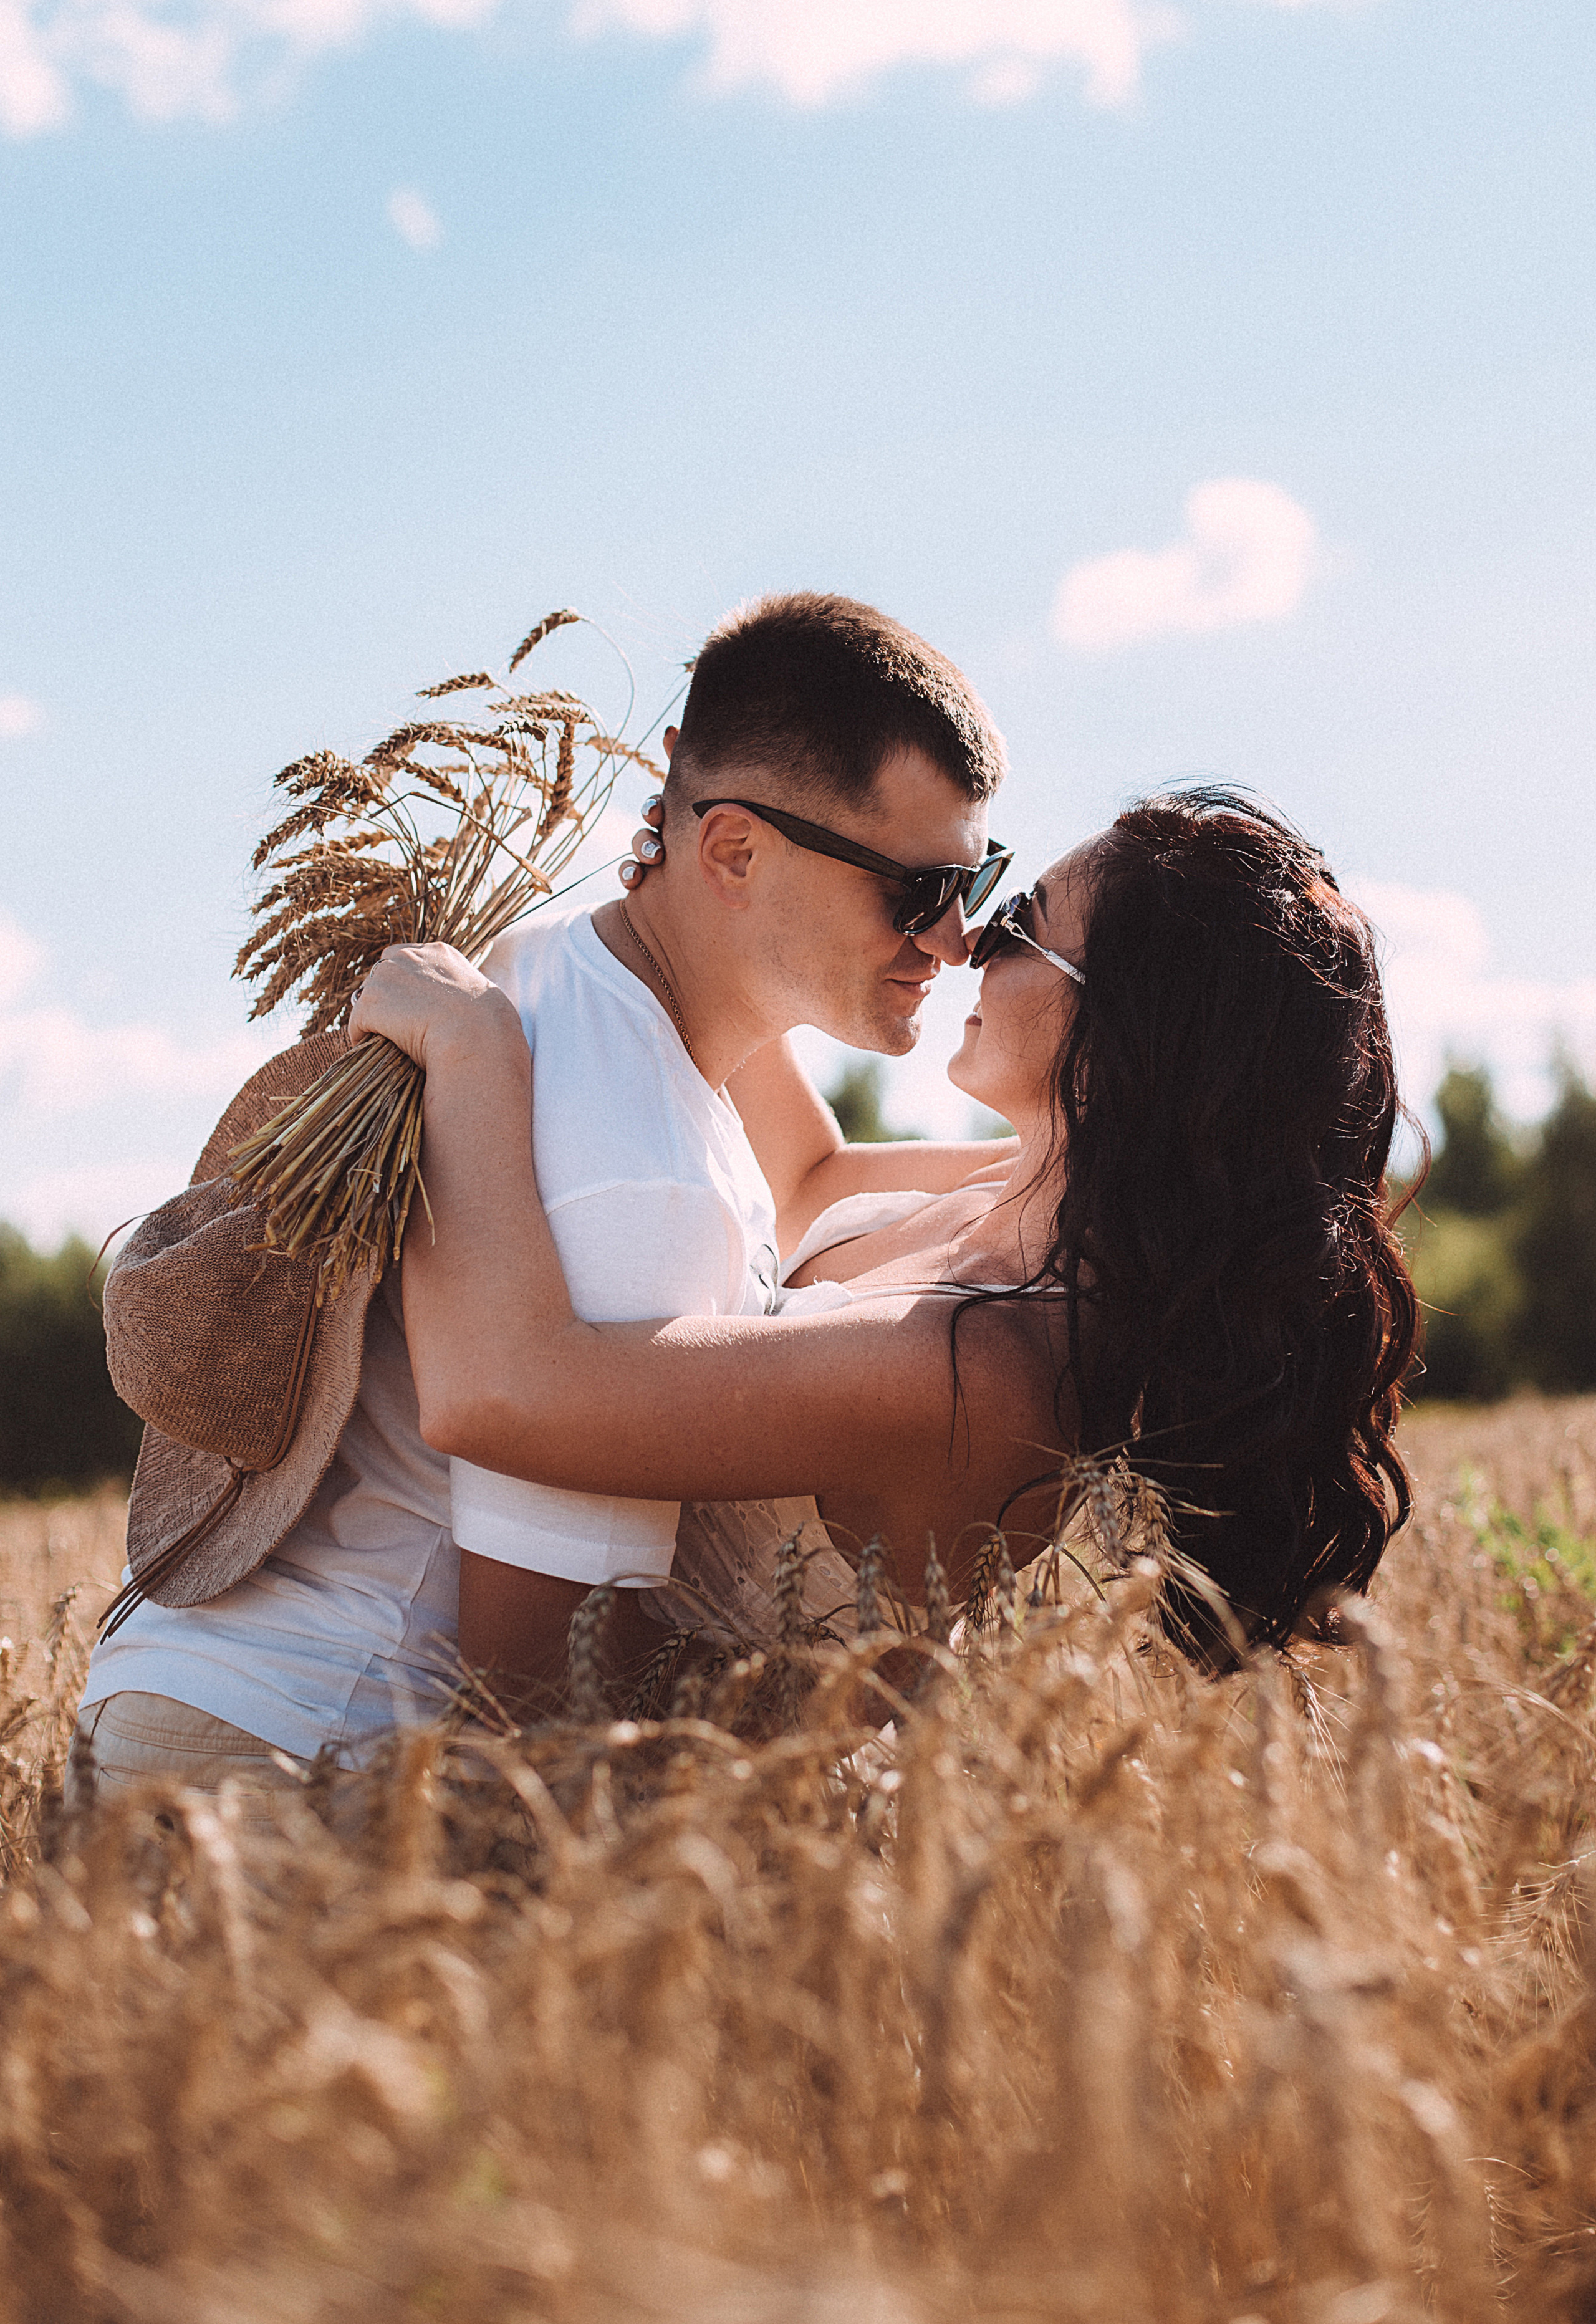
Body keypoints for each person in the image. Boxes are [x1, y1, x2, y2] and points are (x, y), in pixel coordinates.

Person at [69, 592, 1016, 1802]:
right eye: (915, 892)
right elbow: (530, 1702)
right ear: (731, 849)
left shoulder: (560, 974)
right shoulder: (642, 1173)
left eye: (976, 877)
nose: (953, 940)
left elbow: (812, 1178)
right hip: (284, 1773)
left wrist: (1092, 1170)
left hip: (186, 1703)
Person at [355, 789, 1422, 1667]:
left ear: (1123, 1038)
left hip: (642, 1837)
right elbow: (809, 1175)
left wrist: (472, 1051)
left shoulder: (983, 1365)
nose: (961, 947)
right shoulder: (1024, 1190)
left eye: (1015, 926)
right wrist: (702, 903)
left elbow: (500, 1393)